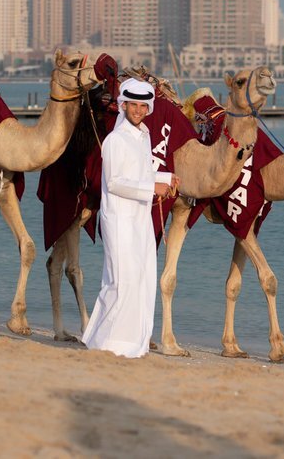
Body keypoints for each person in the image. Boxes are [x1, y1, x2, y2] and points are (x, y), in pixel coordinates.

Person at [81, 78, 179, 358]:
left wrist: (165, 177)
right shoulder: (115, 139)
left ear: (148, 108)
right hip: (120, 221)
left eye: (142, 106)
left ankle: (130, 342)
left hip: (140, 220)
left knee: (142, 279)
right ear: (123, 105)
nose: (137, 110)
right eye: (132, 105)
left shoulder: (144, 135)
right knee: (121, 282)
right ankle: (107, 344)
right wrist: (153, 188)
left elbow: (140, 174)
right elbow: (114, 182)